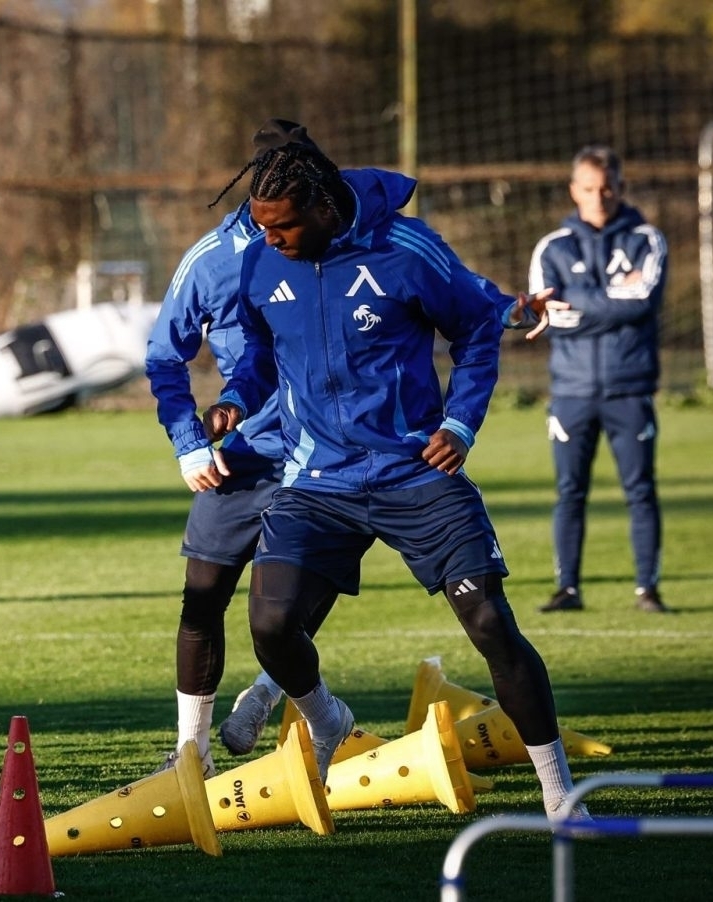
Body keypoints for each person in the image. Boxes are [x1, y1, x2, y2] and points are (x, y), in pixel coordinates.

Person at [201, 139, 586, 817]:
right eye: (261, 226)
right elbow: (261, 351)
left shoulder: (406, 248)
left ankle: (561, 801)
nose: (269, 239)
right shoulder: (260, 262)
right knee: (271, 624)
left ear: (323, 208)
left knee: (489, 620)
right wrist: (236, 397)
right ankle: (327, 720)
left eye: (282, 225)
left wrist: (459, 424)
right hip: (318, 482)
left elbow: (475, 325)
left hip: (414, 472)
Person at [145, 120, 339, 777]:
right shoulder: (212, 261)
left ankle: (268, 694)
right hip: (248, 454)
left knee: (285, 609)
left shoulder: (349, 243)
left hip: (331, 458)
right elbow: (164, 354)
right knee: (202, 595)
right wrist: (191, 442)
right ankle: (191, 754)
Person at [530, 145, 669, 615]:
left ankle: (647, 590)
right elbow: (548, 315)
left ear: (620, 188)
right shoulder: (552, 247)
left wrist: (579, 302)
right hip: (571, 392)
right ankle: (567, 589)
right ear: (574, 190)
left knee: (640, 490)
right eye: (589, 188)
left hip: (629, 388)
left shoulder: (647, 239)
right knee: (570, 492)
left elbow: (643, 302)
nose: (599, 197)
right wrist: (613, 298)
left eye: (607, 188)